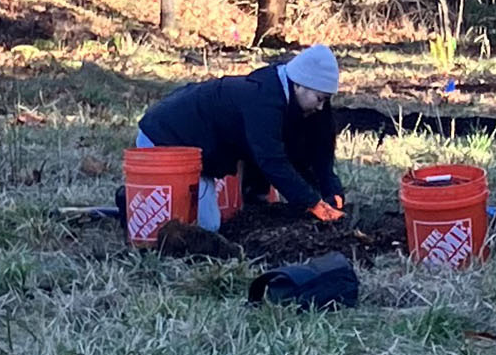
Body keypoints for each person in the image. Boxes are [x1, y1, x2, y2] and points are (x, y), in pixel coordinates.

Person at [133, 45, 349, 227]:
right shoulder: (263, 101)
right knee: (206, 228)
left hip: (201, 153)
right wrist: (312, 203)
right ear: (300, 85)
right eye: (320, 99)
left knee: (210, 222)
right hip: (165, 137)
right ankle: (132, 204)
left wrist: (331, 191)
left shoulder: (291, 94)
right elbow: (271, 160)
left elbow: (316, 153)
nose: (321, 108)